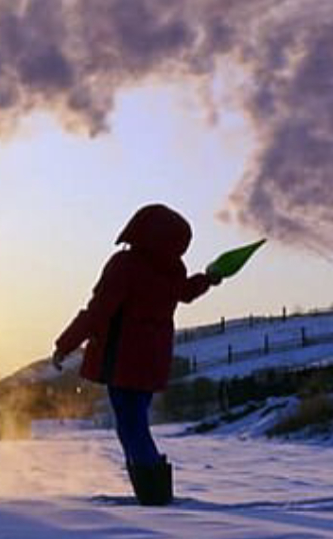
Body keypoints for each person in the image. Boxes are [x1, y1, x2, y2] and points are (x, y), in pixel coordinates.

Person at [52, 204, 220, 505]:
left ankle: (154, 496)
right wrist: (207, 279)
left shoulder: (125, 264)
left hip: (123, 361)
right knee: (134, 423)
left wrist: (66, 344)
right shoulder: (172, 268)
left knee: (130, 426)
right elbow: (185, 292)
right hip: (153, 362)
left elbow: (99, 311)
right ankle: (151, 491)